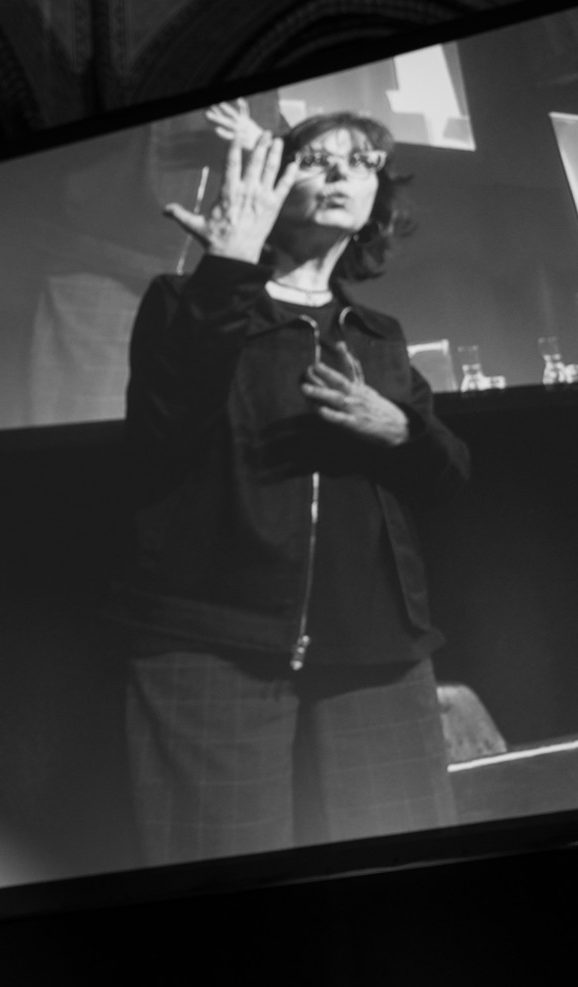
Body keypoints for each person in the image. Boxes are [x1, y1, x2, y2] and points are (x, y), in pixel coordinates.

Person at [116, 104, 468, 862]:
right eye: (318, 159)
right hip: (214, 642)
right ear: (269, 185)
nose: (343, 173)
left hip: (375, 648)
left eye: (363, 163)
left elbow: (448, 474)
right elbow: (160, 436)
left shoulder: (378, 335)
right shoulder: (187, 302)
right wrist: (229, 269)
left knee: (404, 868)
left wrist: (400, 430)